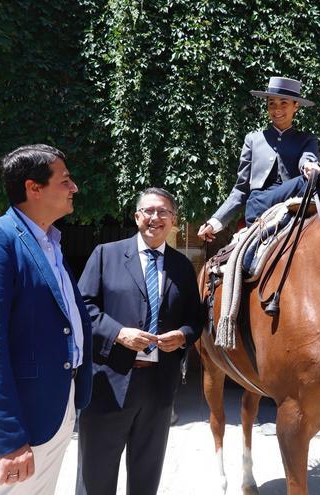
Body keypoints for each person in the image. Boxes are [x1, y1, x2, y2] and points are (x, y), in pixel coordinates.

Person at [0, 144, 93, 493]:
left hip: (54, 412)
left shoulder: (51, 244)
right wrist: (7, 437)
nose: (74, 187)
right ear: (34, 188)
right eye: (65, 180)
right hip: (16, 428)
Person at [76, 187, 204, 495]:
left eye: (163, 212)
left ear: (173, 220)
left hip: (158, 389)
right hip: (108, 384)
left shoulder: (182, 267)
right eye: (149, 211)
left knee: (146, 478)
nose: (155, 218)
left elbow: (196, 319)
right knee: (95, 477)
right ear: (137, 217)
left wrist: (183, 336)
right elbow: (83, 308)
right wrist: (119, 333)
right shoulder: (105, 255)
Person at [197, 76, 320, 242]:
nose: (277, 109)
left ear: (296, 106)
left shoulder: (306, 139)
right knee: (311, 180)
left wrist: (309, 165)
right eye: (271, 103)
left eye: (283, 103)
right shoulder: (253, 139)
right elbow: (241, 189)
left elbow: (307, 158)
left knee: (315, 177)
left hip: (292, 200)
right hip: (260, 204)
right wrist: (216, 221)